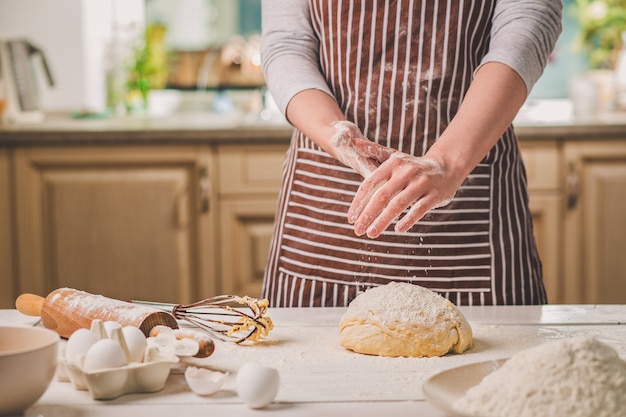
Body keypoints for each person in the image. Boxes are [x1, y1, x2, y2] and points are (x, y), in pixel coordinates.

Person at [260, 0, 562, 307]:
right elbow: (287, 43)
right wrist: (332, 133)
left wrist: (446, 161)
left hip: (466, 212)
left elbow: (526, 25)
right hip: (323, 214)